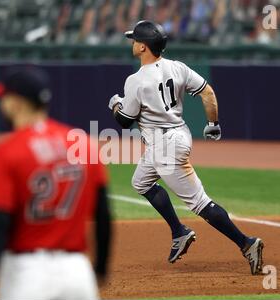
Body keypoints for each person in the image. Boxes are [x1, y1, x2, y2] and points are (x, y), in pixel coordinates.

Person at [108, 20, 263, 275]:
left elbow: (125, 121)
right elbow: (208, 93)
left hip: (164, 147)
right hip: (179, 135)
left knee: (200, 203)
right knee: (141, 182)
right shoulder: (177, 68)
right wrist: (213, 123)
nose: (132, 43)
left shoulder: (135, 80)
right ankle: (179, 231)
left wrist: (115, 104)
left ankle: (246, 243)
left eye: (135, 39)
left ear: (144, 47)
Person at [0, 67, 112, 299]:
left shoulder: (4, 152)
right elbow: (103, 214)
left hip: (26, 274)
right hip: (78, 273)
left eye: (4, 97)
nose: (1, 103)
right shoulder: (83, 144)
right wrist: (100, 268)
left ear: (16, 103)